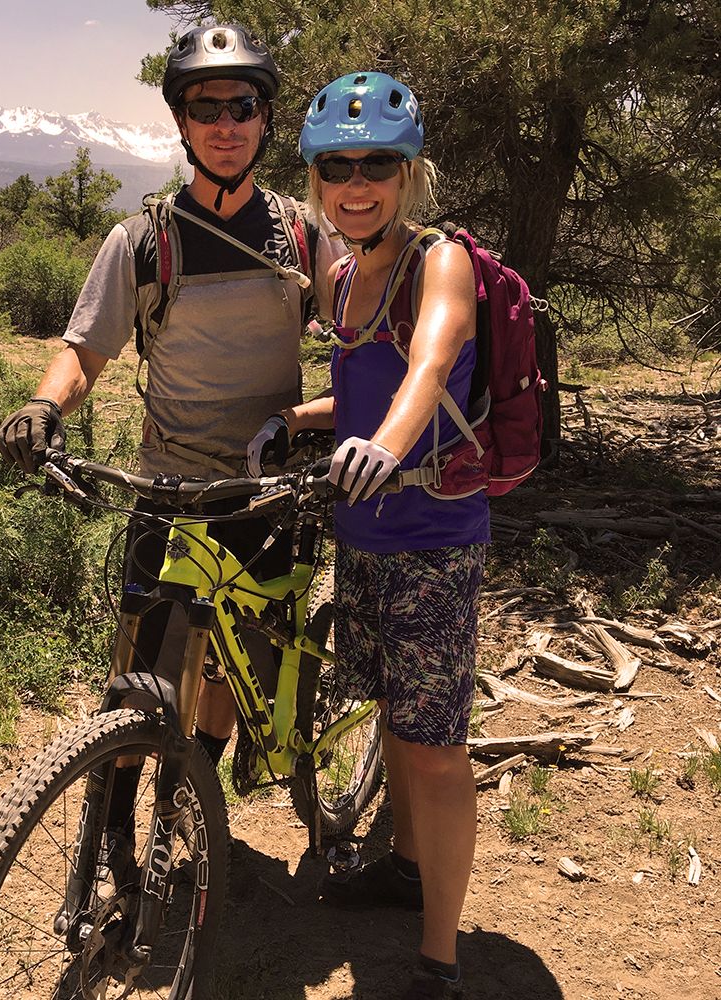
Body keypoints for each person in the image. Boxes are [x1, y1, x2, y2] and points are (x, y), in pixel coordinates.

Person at [0, 25, 339, 770]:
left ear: (264, 120)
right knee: (139, 678)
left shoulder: (305, 234)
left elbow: (370, 339)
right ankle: (114, 832)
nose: (225, 124)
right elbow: (85, 353)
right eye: (205, 107)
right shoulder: (144, 240)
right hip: (168, 488)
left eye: (242, 106)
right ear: (182, 123)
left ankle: (194, 800)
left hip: (265, 490)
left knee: (229, 673)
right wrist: (44, 406)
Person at [248, 72, 488, 999]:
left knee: (435, 746)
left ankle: (437, 959)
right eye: (337, 167)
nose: (358, 182)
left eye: (377, 164)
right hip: (363, 534)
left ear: (408, 170)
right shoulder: (343, 276)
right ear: (315, 179)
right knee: (392, 713)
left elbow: (427, 366)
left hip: (432, 538)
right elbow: (361, 386)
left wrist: (383, 448)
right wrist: (296, 421)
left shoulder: (441, 263)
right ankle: (403, 867)